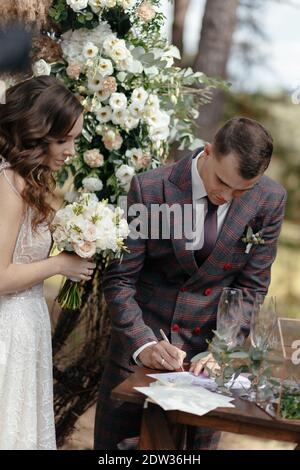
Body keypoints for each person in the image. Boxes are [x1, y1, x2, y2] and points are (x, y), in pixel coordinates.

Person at [94, 117, 287, 450]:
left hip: (205, 366)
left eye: (242, 190)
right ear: (208, 152)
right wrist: (142, 344)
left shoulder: (269, 199)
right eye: (222, 182)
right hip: (140, 352)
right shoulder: (151, 188)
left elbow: (251, 289)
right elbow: (121, 280)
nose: (227, 196)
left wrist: (221, 350)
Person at [0, 75, 96, 450]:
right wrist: (60, 265)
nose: (71, 150)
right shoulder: (8, 184)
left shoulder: (30, 181)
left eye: (74, 139)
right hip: (7, 329)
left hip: (27, 324)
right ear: (35, 135)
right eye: (63, 140)